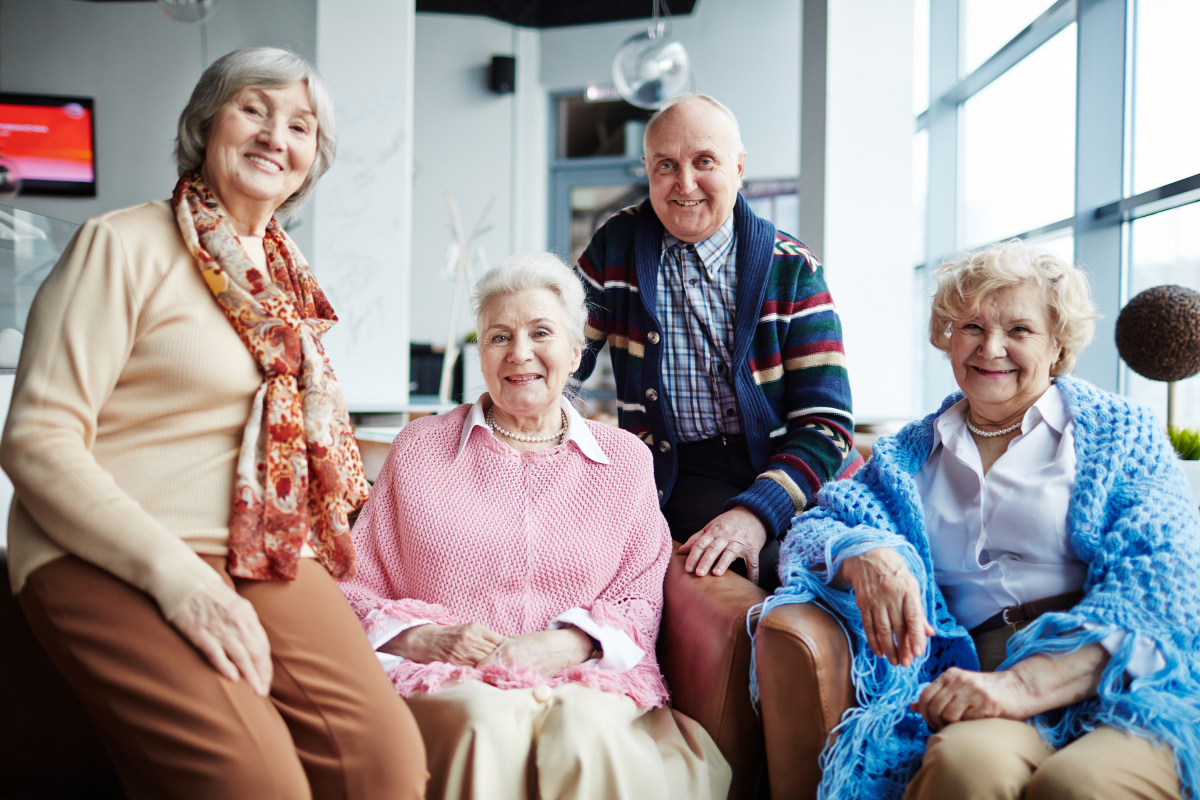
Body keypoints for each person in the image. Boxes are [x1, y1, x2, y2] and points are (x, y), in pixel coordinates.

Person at [1, 47, 426, 799]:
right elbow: (37, 440)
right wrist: (179, 583)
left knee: (387, 765)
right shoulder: (123, 244)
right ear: (207, 123)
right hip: (104, 546)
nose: (274, 136)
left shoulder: (288, 284)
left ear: (310, 163)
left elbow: (282, 434)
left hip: (259, 542)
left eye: (299, 125)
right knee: (257, 784)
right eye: (253, 109)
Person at [765, 239, 1200, 800]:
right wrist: (865, 549)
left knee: (1080, 786)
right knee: (966, 770)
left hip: (1118, 675)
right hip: (977, 678)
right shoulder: (910, 454)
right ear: (947, 336)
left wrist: (1026, 684)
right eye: (971, 326)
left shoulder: (1121, 434)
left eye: (1019, 331)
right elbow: (814, 529)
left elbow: (1164, 578)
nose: (990, 347)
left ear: (1057, 344)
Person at [340, 252, 731, 800]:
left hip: (584, 677)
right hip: (451, 679)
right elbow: (354, 587)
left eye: (540, 332)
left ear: (575, 353)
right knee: (482, 721)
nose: (519, 353)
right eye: (499, 337)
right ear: (482, 355)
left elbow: (641, 595)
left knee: (587, 731)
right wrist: (429, 639)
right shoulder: (419, 450)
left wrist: (570, 644)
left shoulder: (624, 461)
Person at [574, 93, 862, 589]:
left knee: (860, 565)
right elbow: (560, 354)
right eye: (666, 165)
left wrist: (756, 512)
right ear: (647, 169)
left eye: (704, 161)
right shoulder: (615, 244)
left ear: (739, 167)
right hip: (683, 467)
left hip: (796, 463)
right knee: (735, 569)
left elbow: (828, 425)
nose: (685, 183)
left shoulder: (792, 268)